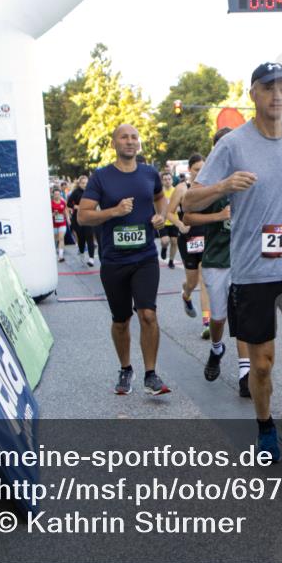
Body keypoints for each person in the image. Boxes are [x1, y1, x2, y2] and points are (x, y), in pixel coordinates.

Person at [184, 61, 282, 467]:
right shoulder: (232, 145)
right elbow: (190, 200)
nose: (277, 95)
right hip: (252, 269)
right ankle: (264, 425)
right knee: (261, 364)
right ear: (253, 95)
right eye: (268, 88)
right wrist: (225, 186)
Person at [77, 123, 171, 397]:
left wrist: (161, 216)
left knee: (148, 314)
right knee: (121, 320)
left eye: (134, 137)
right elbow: (83, 216)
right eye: (124, 137)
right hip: (114, 260)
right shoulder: (101, 177)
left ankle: (151, 374)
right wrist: (114, 211)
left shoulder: (149, 173)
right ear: (114, 143)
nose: (130, 141)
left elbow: (160, 199)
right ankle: (126, 367)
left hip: (145, 257)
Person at [183, 127, 253, 395]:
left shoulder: (249, 175)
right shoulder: (207, 180)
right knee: (219, 317)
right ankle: (216, 348)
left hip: (244, 259)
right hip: (216, 258)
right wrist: (219, 216)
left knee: (244, 315)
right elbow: (188, 217)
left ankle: (245, 372)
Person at [167, 154, 212, 339]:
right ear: (190, 170)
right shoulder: (181, 188)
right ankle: (185, 294)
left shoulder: (209, 187)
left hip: (206, 239)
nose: (200, 172)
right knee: (192, 283)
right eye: (197, 169)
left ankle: (206, 323)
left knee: (204, 282)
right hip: (188, 239)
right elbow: (169, 213)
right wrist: (180, 225)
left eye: (203, 169)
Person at [67, 175, 96, 266]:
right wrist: (77, 207)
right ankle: (82, 252)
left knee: (90, 237)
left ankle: (91, 258)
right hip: (78, 219)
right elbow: (68, 204)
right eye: (83, 183)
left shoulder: (92, 191)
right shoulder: (76, 192)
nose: (85, 185)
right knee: (81, 238)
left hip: (89, 218)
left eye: (86, 183)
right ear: (79, 183)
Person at [159, 165, 179, 269]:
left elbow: (181, 205)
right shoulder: (160, 193)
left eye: (169, 179)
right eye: (165, 179)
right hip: (163, 221)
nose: (167, 181)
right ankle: (164, 248)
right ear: (162, 181)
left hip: (174, 221)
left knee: (174, 241)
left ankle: (171, 260)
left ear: (172, 180)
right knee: (165, 241)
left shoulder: (176, 191)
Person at [51, 187, 68, 262]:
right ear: (53, 195)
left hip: (62, 222)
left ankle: (61, 256)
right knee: (55, 239)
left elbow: (65, 210)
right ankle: (54, 253)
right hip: (54, 224)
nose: (57, 195)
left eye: (58, 194)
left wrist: (68, 218)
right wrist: (53, 214)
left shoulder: (63, 202)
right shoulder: (50, 203)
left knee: (61, 238)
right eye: (55, 194)